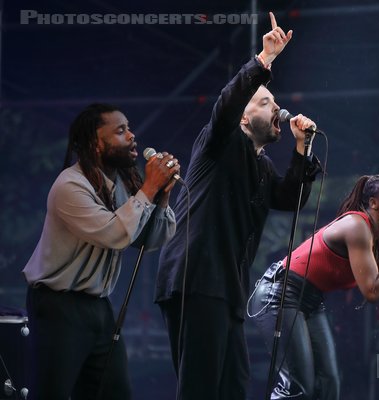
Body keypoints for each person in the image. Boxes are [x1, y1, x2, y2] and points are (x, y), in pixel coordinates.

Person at [154, 12, 322, 400]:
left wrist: (302, 149)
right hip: (196, 279)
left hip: (227, 288)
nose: (277, 108)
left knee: (233, 385)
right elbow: (225, 107)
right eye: (266, 102)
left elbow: (289, 198)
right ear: (246, 116)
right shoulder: (220, 143)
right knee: (200, 386)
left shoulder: (260, 164)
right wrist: (264, 61)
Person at [22, 103, 179, 400]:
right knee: (52, 393)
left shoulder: (118, 185)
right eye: (120, 131)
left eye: (129, 128)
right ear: (96, 143)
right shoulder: (70, 186)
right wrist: (148, 189)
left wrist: (161, 197)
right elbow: (114, 234)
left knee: (114, 392)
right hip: (59, 307)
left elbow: (150, 239)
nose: (132, 136)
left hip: (99, 308)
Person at [248, 174, 379, 399]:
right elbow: (372, 290)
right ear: (374, 203)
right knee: (298, 386)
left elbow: (377, 283)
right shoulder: (357, 225)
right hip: (280, 294)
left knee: (328, 383)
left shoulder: (372, 236)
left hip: (310, 302)